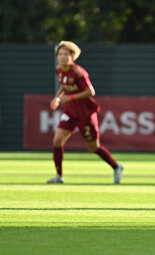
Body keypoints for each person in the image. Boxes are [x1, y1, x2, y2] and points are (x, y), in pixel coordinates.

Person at [47, 41, 123, 184]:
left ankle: (116, 166)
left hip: (85, 114)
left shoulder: (78, 72)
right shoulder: (59, 70)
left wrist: (70, 97)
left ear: (73, 56)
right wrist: (56, 98)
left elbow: (91, 91)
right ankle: (59, 176)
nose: (63, 57)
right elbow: (64, 86)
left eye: (66, 54)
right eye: (60, 54)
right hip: (70, 112)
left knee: (93, 147)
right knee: (57, 141)